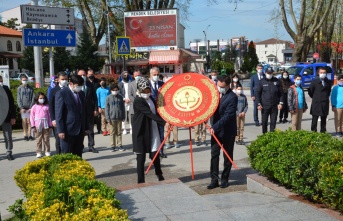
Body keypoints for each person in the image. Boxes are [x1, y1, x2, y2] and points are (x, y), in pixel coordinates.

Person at [132, 77, 166, 184]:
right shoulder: (138, 101)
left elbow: (157, 110)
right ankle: (141, 181)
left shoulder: (150, 98)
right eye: (144, 91)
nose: (147, 93)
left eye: (148, 91)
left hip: (152, 128)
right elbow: (149, 114)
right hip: (141, 130)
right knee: (141, 157)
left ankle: (159, 175)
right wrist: (164, 122)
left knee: (155, 154)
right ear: (140, 90)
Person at [207, 75, 238, 189]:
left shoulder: (232, 97)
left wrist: (215, 127)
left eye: (222, 87)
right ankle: (214, 180)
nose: (219, 88)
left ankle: (225, 179)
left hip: (228, 131)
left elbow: (228, 116)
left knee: (227, 156)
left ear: (228, 85)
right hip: (216, 131)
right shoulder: (214, 94)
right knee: (214, 155)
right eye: (218, 86)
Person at [55, 75, 88, 158]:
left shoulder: (81, 94)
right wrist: (60, 130)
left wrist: (86, 127)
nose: (79, 88)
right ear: (71, 84)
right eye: (78, 86)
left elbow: (84, 112)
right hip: (67, 130)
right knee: (66, 155)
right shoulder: (62, 93)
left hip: (80, 130)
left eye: (81, 86)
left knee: (78, 154)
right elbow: (59, 114)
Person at [255, 67, 283, 134]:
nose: (269, 74)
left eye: (271, 73)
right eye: (268, 73)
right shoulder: (261, 82)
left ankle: (272, 137)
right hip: (265, 106)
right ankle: (264, 136)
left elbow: (281, 93)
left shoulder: (277, 81)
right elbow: (257, 94)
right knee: (264, 122)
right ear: (265, 73)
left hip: (274, 106)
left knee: (273, 122)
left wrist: (281, 103)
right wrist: (258, 103)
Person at [78, 69, 99, 153]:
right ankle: (81, 146)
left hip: (89, 110)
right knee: (81, 130)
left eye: (83, 75)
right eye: (80, 75)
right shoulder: (76, 86)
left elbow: (95, 98)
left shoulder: (90, 85)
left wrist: (95, 109)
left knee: (90, 129)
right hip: (79, 111)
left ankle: (91, 145)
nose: (82, 76)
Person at [149, 67, 167, 158]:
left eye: (157, 75)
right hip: (150, 113)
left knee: (161, 133)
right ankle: (152, 151)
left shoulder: (162, 84)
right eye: (154, 75)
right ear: (150, 75)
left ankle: (161, 151)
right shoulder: (147, 84)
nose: (155, 76)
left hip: (160, 113)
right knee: (151, 132)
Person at [49, 72, 68, 155]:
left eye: (66, 79)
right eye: (62, 79)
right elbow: (51, 106)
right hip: (57, 118)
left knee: (68, 139)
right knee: (59, 139)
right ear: (58, 80)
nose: (64, 81)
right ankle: (59, 155)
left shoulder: (69, 89)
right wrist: (53, 119)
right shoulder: (54, 90)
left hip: (68, 118)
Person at [308, 67, 332, 133]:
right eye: (321, 72)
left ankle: (323, 132)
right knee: (314, 119)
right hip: (316, 103)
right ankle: (313, 132)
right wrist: (316, 97)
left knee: (323, 119)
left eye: (324, 73)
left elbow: (329, 91)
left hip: (324, 103)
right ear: (318, 73)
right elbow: (310, 92)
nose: (323, 74)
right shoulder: (314, 82)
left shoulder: (328, 82)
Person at [30, 92, 52, 158]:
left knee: (46, 138)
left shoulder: (47, 106)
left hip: (46, 124)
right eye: (40, 98)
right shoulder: (34, 107)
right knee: (38, 139)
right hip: (37, 125)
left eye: (43, 98)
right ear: (37, 99)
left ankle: (47, 151)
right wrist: (33, 126)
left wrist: (50, 125)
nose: (42, 99)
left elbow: (50, 116)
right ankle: (39, 152)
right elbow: (32, 116)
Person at [105, 84, 126, 151]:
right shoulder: (108, 98)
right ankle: (112, 145)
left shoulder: (120, 97)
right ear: (111, 90)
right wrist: (108, 118)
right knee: (112, 132)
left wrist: (123, 116)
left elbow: (123, 107)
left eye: (117, 90)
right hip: (111, 118)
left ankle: (119, 145)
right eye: (114, 90)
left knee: (119, 132)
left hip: (119, 117)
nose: (115, 91)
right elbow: (107, 109)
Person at [0, 76, 16, 160]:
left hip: (6, 116)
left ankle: (9, 152)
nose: (1, 82)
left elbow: (12, 104)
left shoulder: (6, 90)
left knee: (8, 136)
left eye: (1, 81)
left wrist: (13, 116)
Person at [17, 74, 35, 141]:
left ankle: (30, 134)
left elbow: (33, 98)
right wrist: (21, 107)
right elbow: (18, 99)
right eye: (24, 80)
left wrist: (31, 107)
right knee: (24, 122)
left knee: (29, 122)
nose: (25, 81)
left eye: (26, 80)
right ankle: (25, 135)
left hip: (29, 108)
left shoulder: (31, 88)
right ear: (21, 80)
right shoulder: (19, 88)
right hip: (23, 108)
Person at [87, 69, 102, 134]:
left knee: (98, 117)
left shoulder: (97, 82)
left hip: (97, 100)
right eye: (89, 74)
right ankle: (90, 130)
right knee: (89, 117)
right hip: (89, 101)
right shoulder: (86, 82)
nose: (91, 76)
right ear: (87, 75)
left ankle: (99, 129)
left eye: (92, 74)